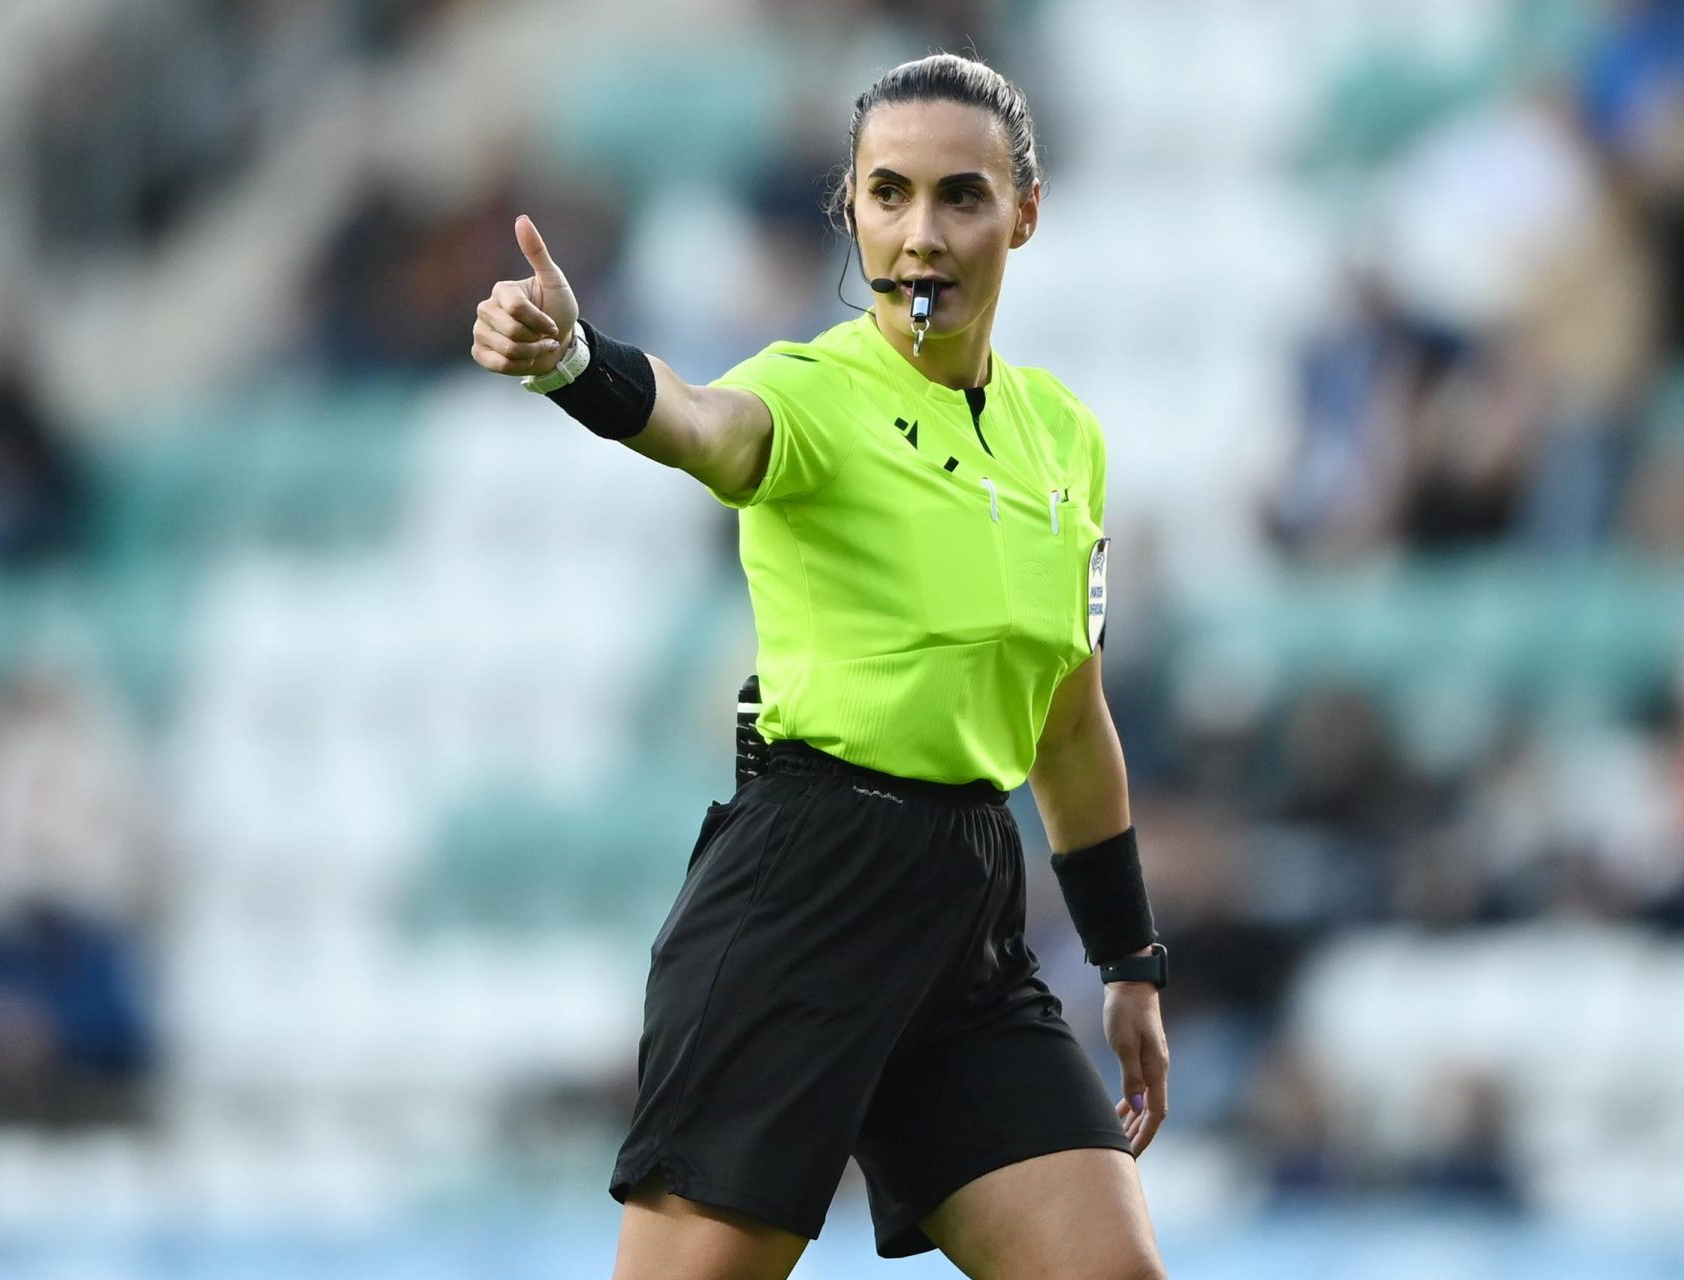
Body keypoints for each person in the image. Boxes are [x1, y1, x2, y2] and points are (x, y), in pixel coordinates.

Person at [472, 53, 1171, 1280]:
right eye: (888, 194)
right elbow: (699, 421)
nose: (922, 233)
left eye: (962, 196)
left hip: (969, 913)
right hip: (807, 892)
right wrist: (578, 361)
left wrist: (1128, 963)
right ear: (849, 209)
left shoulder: (1064, 435)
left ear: (1025, 211)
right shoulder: (812, 391)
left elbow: (1070, 728)